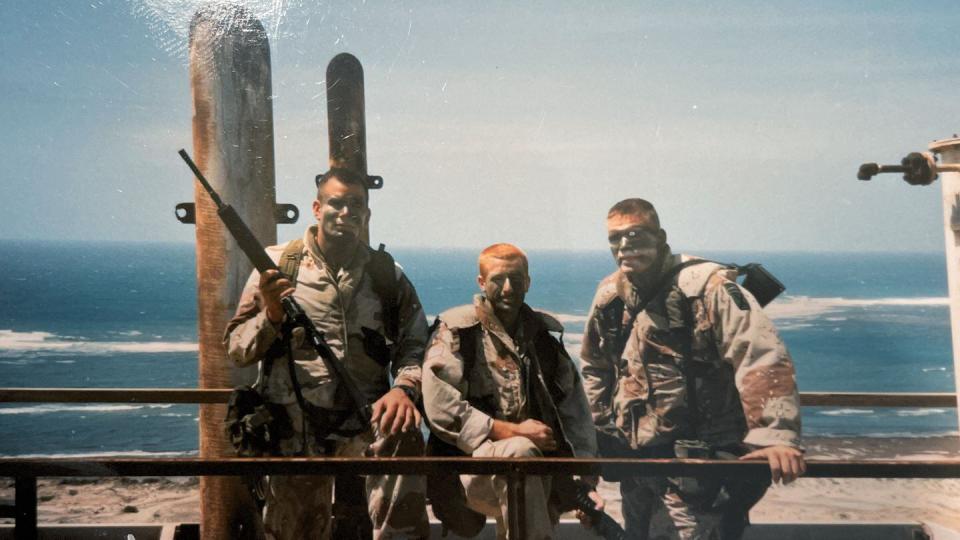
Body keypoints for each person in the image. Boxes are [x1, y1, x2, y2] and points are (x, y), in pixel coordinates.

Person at [580, 198, 805, 540]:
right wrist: (598, 438)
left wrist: (774, 436)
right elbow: (597, 367)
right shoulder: (610, 296)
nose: (625, 245)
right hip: (637, 462)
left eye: (636, 234)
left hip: (700, 466)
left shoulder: (707, 288)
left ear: (661, 237)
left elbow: (759, 353)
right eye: (615, 238)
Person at [224, 168, 430, 540]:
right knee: (295, 532)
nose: (347, 212)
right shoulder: (275, 267)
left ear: (366, 214)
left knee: (405, 435)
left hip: (365, 420)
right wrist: (270, 314)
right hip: (295, 428)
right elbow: (237, 349)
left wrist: (403, 389)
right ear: (317, 208)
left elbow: (415, 344)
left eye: (357, 204)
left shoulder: (386, 274)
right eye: (337, 202)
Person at [422, 243, 602, 540]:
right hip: (467, 471)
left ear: (528, 282)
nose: (508, 288)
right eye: (497, 279)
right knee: (520, 452)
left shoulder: (542, 339)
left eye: (516, 280)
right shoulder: (456, 332)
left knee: (527, 462)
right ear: (481, 282)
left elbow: (575, 414)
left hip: (537, 470)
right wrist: (512, 432)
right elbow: (440, 408)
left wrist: (584, 482)